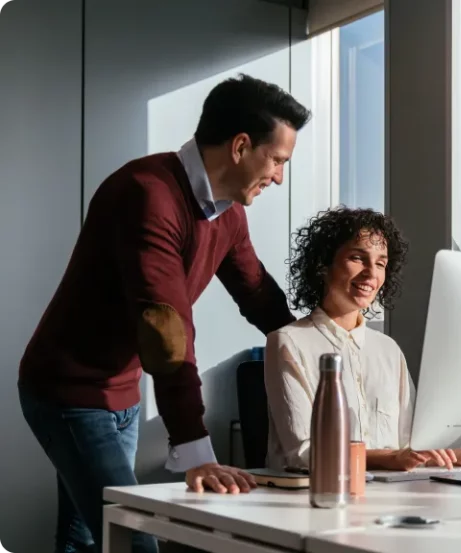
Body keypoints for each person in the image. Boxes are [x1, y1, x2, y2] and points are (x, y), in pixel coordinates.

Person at [17, 74, 310, 553]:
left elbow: (257, 292)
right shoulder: (147, 194)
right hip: (70, 391)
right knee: (134, 540)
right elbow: (167, 331)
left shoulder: (228, 214)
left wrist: (319, 341)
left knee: (86, 534)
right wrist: (196, 449)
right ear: (240, 146)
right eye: (277, 160)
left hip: (123, 394)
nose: (279, 175)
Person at [265, 207, 461, 471]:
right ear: (323, 265)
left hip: (389, 496)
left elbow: (411, 445)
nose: (371, 273)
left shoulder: (388, 350)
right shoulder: (288, 342)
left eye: (381, 263)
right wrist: (391, 458)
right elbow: (303, 453)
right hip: (311, 501)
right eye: (358, 258)